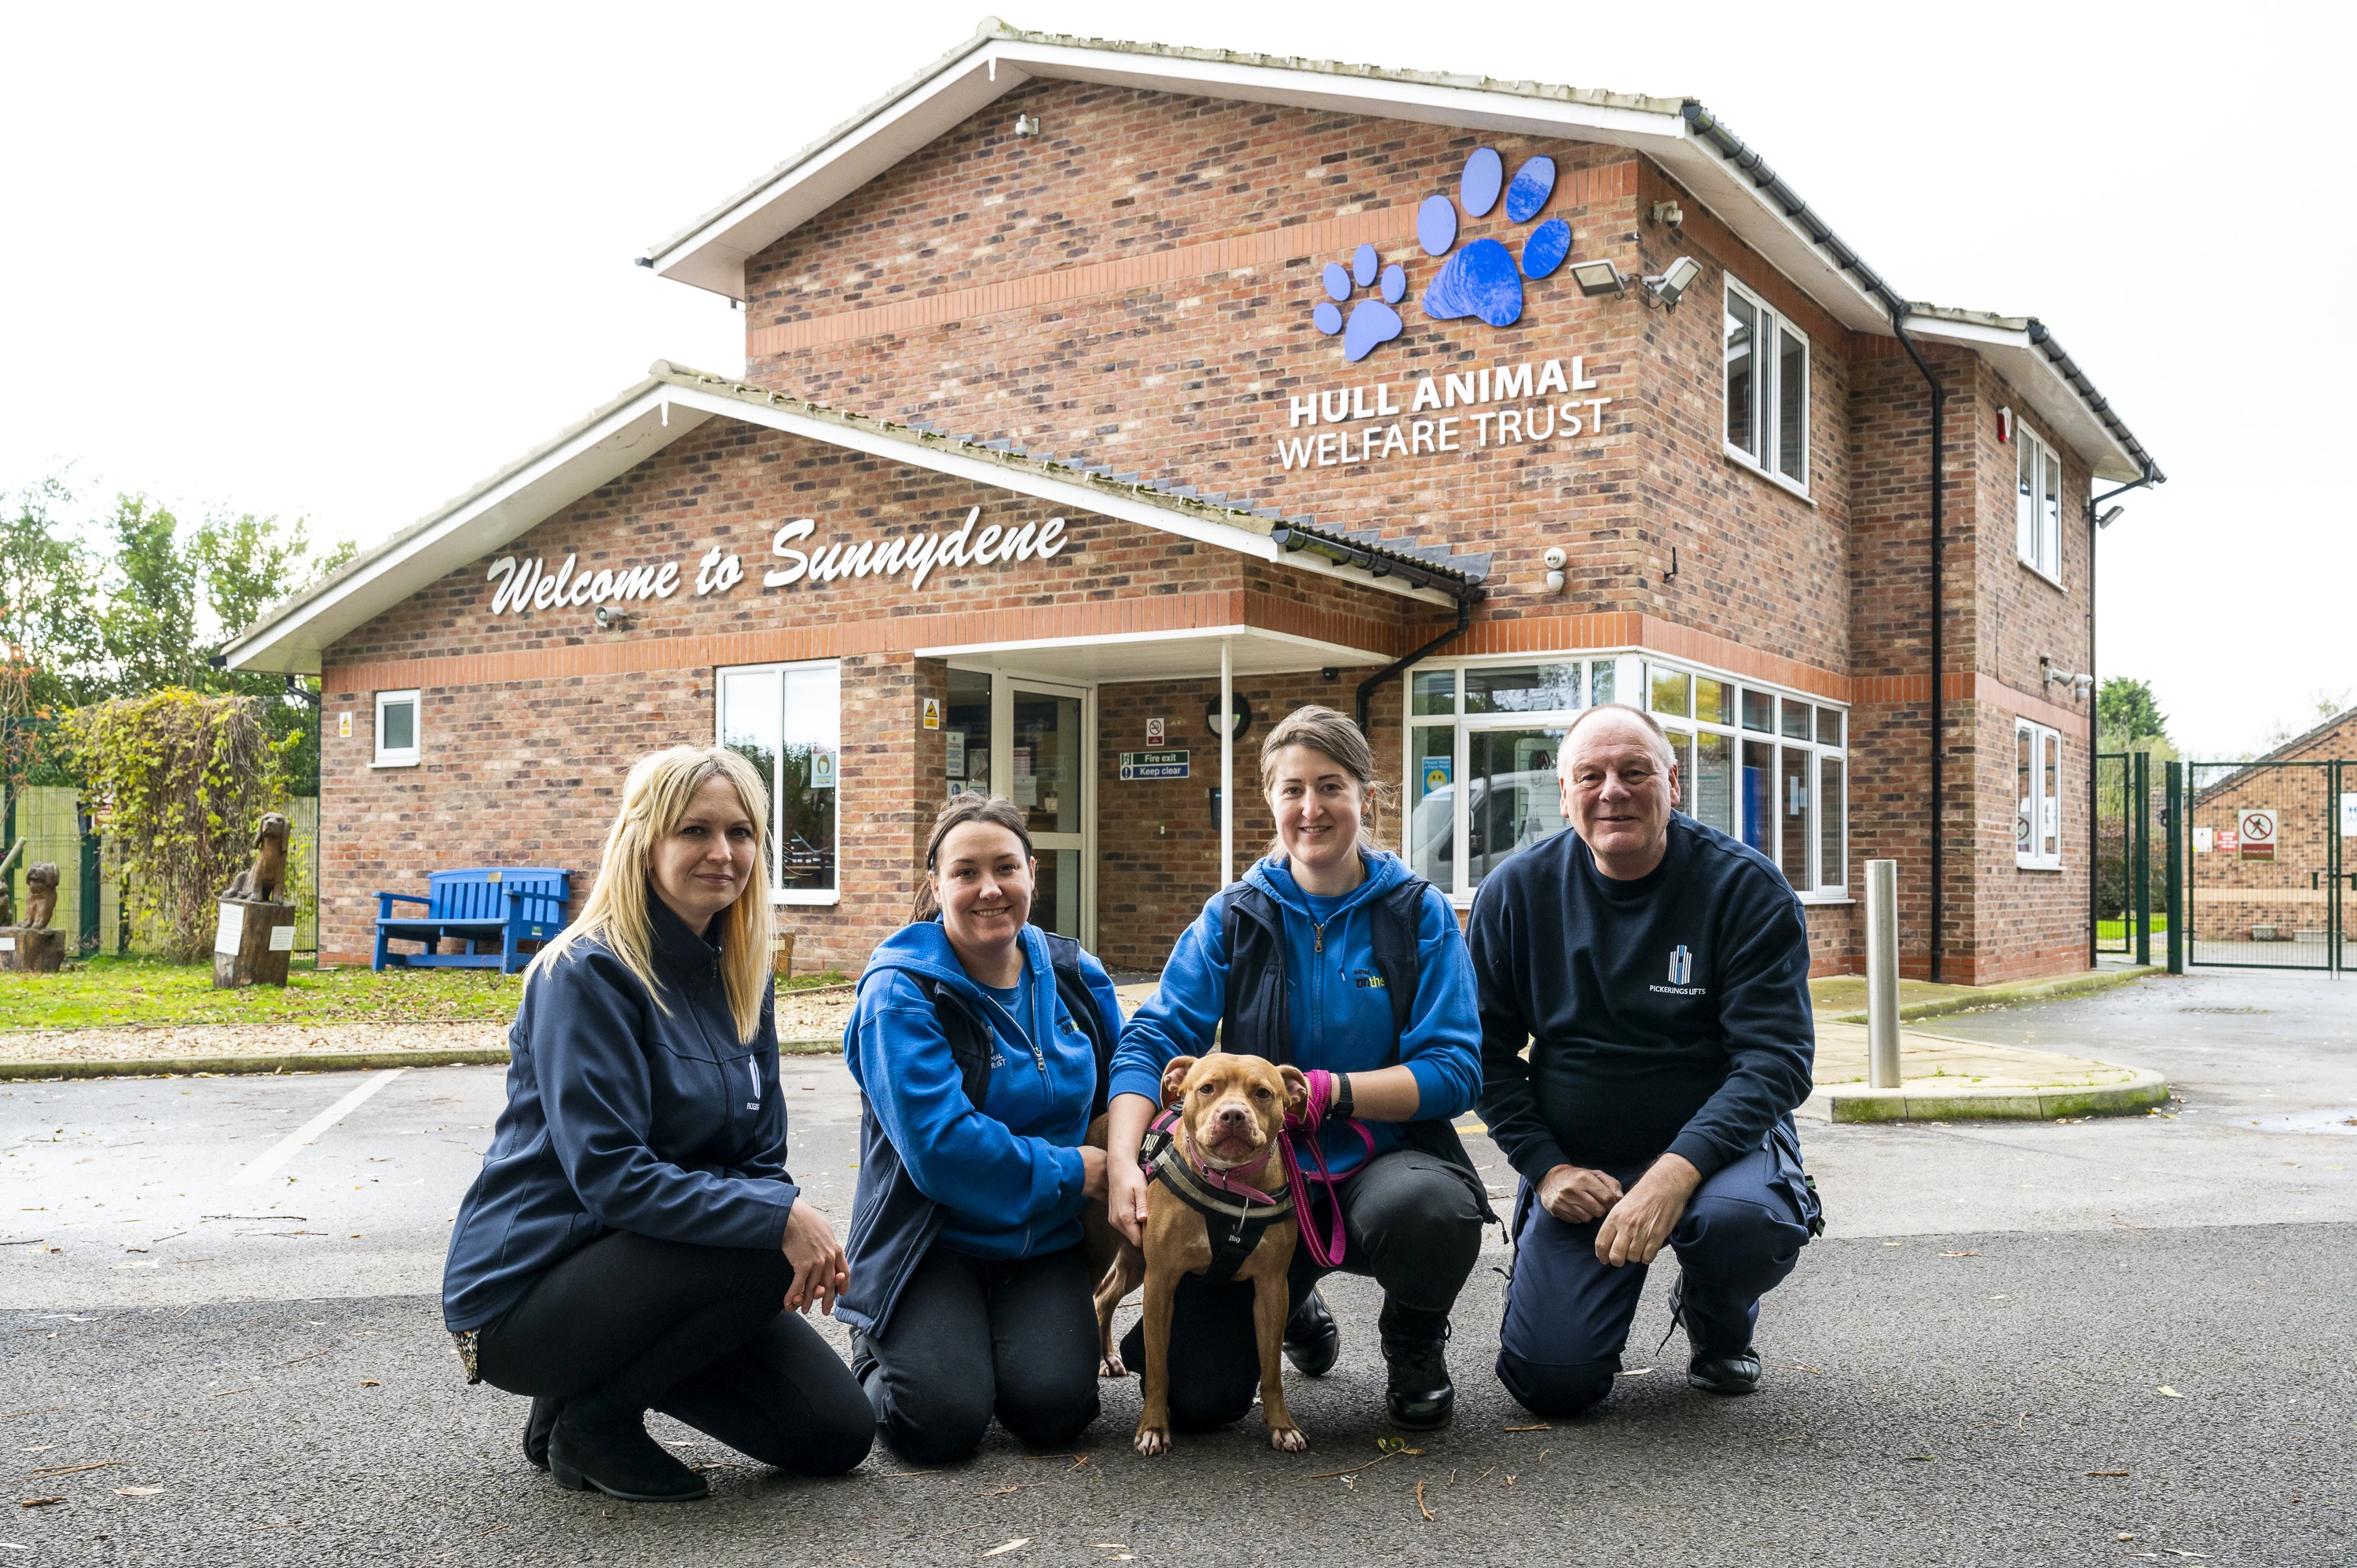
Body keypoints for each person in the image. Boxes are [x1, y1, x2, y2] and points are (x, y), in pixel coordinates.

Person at [442, 746, 873, 1502]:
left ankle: (570, 1404)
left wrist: (778, 1212)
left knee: (835, 1433)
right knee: (768, 1239)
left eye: (741, 832)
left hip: (658, 1271)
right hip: (525, 1298)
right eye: (694, 831)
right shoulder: (584, 972)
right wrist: (782, 1222)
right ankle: (593, 1422)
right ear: (645, 840)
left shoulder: (740, 971)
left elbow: (760, 1153)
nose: (722, 852)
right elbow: (611, 1175)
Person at [1106, 704, 1489, 1431]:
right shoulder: (1233, 916)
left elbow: (1456, 1070)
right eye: (1293, 789)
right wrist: (1126, 1160)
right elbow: (1152, 1039)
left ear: (1365, 799)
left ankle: (1411, 1336)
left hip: (1385, 1168)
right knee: (1195, 1402)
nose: (1311, 808)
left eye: (1332, 786)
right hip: (1252, 1185)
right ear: (1271, 801)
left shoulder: (1418, 914)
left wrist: (1329, 1093)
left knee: (1431, 1216)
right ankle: (1292, 1297)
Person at [1470, 703, 1821, 1419]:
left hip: (1718, 1158)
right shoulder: (1516, 893)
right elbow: (1483, 1053)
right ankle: (1554, 1270)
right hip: (1580, 1161)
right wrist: (1546, 1168)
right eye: (1591, 775)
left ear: (1673, 782)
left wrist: (1674, 1175)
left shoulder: (1744, 889)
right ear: (1563, 790)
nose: (1613, 792)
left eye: (1635, 772)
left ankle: (1715, 1309)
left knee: (1740, 1227)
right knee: (1551, 1384)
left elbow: (1777, 1060)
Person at [839, 794, 1125, 1464]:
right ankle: (878, 1341)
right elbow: (940, 1148)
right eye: (966, 873)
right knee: (936, 1423)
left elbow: (1127, 1086)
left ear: (1033, 871)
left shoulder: (1077, 974)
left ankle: (987, 1344)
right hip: (931, 1238)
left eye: (1005, 868)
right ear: (936, 885)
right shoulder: (901, 990)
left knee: (1057, 1412)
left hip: (1044, 1241)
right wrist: (1074, 1170)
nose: (989, 889)